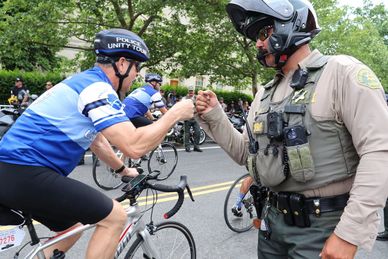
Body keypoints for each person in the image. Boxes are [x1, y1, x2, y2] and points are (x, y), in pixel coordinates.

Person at [195, 0, 388, 258]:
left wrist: (349, 233)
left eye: (264, 33)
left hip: (323, 226)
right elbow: (245, 154)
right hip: (272, 225)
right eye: (256, 37)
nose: (258, 44)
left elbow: (379, 151)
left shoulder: (342, 73)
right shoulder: (264, 94)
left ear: (290, 24)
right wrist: (215, 115)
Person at [0, 28, 194, 259]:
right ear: (122, 64)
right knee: (115, 217)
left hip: (12, 172)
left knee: (71, 227)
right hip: (26, 172)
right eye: (137, 68)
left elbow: (97, 140)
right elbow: (133, 146)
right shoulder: (97, 89)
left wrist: (123, 169)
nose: (137, 76)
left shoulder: (83, 82)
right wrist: (175, 113)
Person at [182, 86, 202, 152]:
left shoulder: (197, 98)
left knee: (198, 132)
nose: (191, 92)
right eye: (190, 91)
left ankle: (196, 146)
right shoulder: (184, 98)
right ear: (188, 91)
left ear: (193, 91)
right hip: (188, 117)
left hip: (195, 117)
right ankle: (187, 147)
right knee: (187, 133)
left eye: (192, 91)